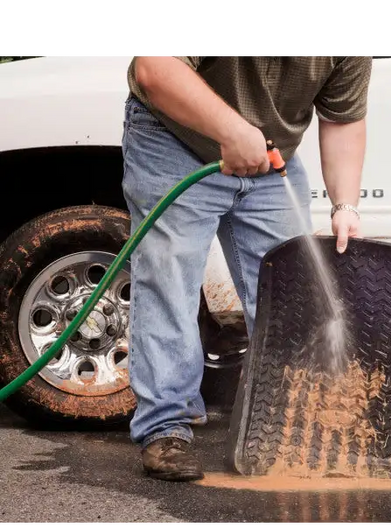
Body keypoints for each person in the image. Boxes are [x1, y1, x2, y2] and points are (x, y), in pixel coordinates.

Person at [121, 54, 372, 482]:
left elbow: (343, 118)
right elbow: (155, 69)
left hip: (271, 159)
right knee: (169, 277)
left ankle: (286, 423)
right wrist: (232, 130)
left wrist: (344, 205)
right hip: (174, 139)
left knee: (291, 291)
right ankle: (165, 428)